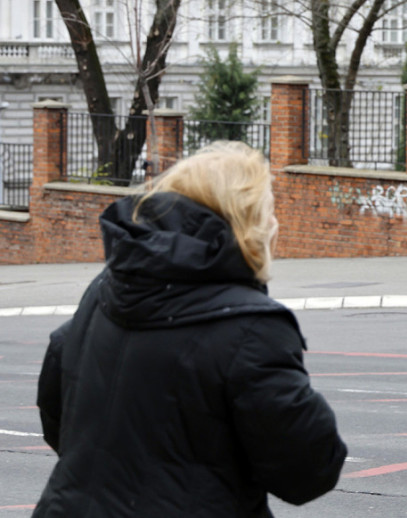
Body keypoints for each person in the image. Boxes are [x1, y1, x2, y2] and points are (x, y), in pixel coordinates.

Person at [33, 141, 348, 517]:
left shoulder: (107, 288)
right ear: (245, 221)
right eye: (269, 209)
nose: (275, 223)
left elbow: (59, 395)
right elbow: (308, 470)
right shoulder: (250, 327)